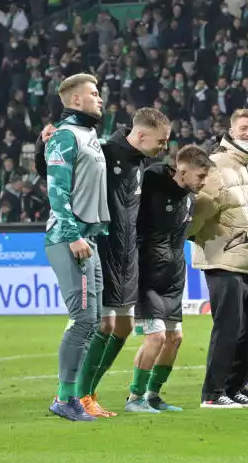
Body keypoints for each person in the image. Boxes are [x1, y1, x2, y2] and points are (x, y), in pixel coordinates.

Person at [57, 107, 170, 418]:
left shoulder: (140, 161)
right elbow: (60, 172)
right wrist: (44, 147)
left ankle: (90, 391)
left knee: (122, 325)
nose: (164, 147)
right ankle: (79, 395)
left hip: (126, 253)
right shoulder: (104, 152)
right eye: (161, 141)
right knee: (104, 324)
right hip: (103, 247)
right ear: (142, 134)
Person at [189, 109, 248, 408]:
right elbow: (199, 209)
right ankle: (213, 393)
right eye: (245, 128)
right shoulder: (218, 164)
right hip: (224, 260)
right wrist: (194, 237)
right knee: (229, 329)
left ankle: (235, 388)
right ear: (231, 131)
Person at [126, 145, 214, 413]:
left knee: (175, 338)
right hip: (148, 273)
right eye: (200, 177)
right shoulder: (154, 180)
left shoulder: (189, 198)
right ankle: (135, 397)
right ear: (182, 170)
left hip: (174, 276)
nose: (202, 183)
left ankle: (153, 394)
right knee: (156, 337)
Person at [44, 74, 111, 422]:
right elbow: (57, 191)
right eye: (94, 94)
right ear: (75, 100)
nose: (100, 99)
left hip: (89, 238)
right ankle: (64, 398)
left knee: (94, 320)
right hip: (71, 239)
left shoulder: (88, 135)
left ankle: (72, 396)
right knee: (82, 318)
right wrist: (72, 235)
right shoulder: (65, 137)